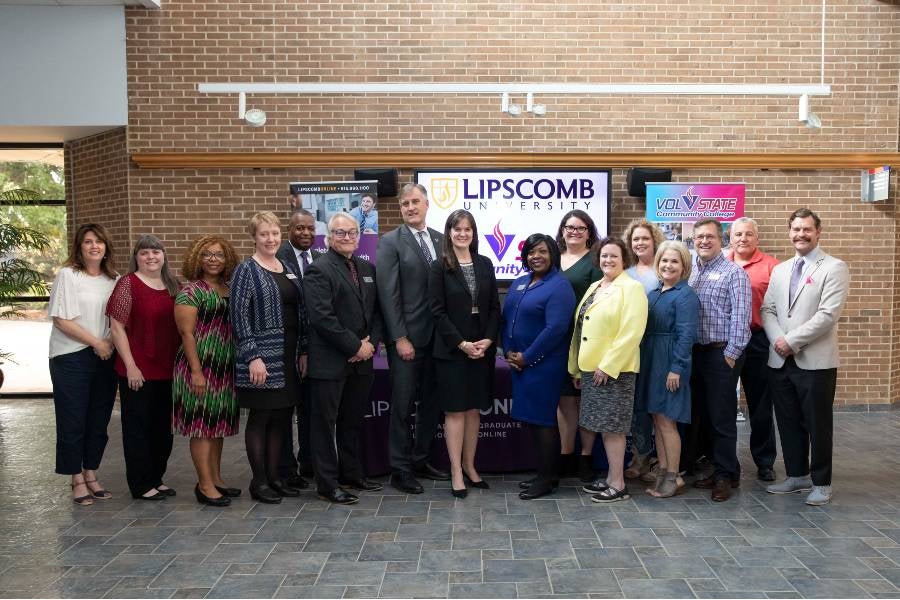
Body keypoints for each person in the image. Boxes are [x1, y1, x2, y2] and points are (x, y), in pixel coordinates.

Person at [761, 208, 849, 506]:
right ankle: (797, 475)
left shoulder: (834, 267)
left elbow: (827, 315)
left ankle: (822, 482)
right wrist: (778, 341)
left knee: (817, 423)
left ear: (818, 232)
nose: (801, 234)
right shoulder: (781, 269)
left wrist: (792, 341)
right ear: (790, 232)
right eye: (796, 229)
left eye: (807, 229)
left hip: (815, 362)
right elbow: (768, 310)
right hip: (780, 359)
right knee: (787, 421)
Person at [230, 211, 309, 504]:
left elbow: (299, 312)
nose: (270, 239)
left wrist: (302, 351)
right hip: (262, 359)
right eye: (264, 234)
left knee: (282, 418)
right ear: (254, 237)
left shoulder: (286, 266)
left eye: (275, 233)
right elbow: (238, 316)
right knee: (261, 418)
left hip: (288, 356)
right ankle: (259, 481)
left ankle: (276, 477)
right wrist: (252, 356)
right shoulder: (246, 270)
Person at [305, 213, 384, 505]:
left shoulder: (366, 267)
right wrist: (354, 346)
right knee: (325, 425)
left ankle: (352, 473)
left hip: (362, 362)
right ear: (328, 237)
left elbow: (376, 313)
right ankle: (328, 484)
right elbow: (322, 318)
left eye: (352, 232)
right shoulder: (319, 270)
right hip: (330, 363)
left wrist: (370, 345)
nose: (347, 237)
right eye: (340, 233)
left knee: (352, 421)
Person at [376, 183, 449, 494]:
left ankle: (420, 459)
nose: (409, 207)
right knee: (403, 406)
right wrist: (399, 337)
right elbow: (387, 294)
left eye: (415, 201)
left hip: (439, 341)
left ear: (426, 204)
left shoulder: (441, 240)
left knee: (432, 404)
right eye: (404, 203)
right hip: (407, 341)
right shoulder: (390, 242)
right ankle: (400, 468)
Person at [569, 237, 648, 503]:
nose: (608, 260)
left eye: (614, 256)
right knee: (604, 426)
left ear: (624, 259)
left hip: (614, 370)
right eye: (604, 256)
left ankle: (618, 484)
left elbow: (632, 332)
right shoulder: (595, 286)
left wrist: (608, 365)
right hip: (592, 369)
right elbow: (583, 328)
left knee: (614, 428)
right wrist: (580, 369)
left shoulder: (632, 288)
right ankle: (613, 477)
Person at [429, 209, 501, 498]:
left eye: (467, 229)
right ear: (449, 233)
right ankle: (456, 471)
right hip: (452, 349)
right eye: (457, 229)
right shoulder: (439, 266)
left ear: (474, 233)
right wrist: (460, 343)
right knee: (456, 411)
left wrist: (488, 340)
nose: (462, 234)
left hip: (481, 348)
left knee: (473, 410)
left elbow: (495, 308)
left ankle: (470, 467)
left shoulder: (485, 264)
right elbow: (436, 311)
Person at [48, 223, 119, 506]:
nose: (94, 246)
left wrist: (109, 343)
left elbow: (120, 320)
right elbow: (61, 320)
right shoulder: (68, 275)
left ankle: (91, 473)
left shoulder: (114, 279)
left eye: (99, 242)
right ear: (79, 246)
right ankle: (75, 477)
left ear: (106, 247)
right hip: (71, 356)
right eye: (88, 242)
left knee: (98, 420)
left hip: (105, 356)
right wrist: (97, 343)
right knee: (73, 420)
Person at [502, 234, 576, 500]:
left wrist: (527, 357)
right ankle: (546, 473)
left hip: (543, 365)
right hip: (519, 363)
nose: (536, 256)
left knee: (544, 421)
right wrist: (508, 351)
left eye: (543, 251)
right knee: (534, 422)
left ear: (553, 254)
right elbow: (507, 317)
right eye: (531, 252)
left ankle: (546, 479)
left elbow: (555, 328)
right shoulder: (521, 282)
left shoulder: (559, 285)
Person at [107, 235, 180, 500]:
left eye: (156, 252)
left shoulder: (173, 285)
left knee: (163, 429)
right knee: (138, 428)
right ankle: (140, 484)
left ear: (164, 256)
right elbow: (117, 328)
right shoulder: (128, 284)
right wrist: (131, 365)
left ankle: (156, 477)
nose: (151, 257)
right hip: (137, 369)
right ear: (136, 257)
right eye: (144, 252)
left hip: (168, 369)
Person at [172, 235, 241, 507]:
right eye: (208, 254)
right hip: (198, 364)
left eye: (219, 255)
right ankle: (204, 485)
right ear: (197, 258)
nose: (214, 260)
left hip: (224, 365)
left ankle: (217, 479)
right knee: (202, 426)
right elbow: (186, 333)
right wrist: (196, 371)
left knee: (218, 424)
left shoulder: (228, 287)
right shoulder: (190, 291)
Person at [686, 218, 751, 502]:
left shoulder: (733, 273)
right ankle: (723, 468)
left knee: (722, 417)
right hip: (696, 353)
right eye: (699, 237)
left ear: (721, 239)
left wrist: (731, 355)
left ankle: (725, 476)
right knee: (705, 415)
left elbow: (741, 317)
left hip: (720, 353)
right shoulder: (691, 273)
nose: (703, 241)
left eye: (709, 236)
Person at [635, 241, 700, 498]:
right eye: (664, 260)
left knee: (667, 421)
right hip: (651, 359)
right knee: (656, 418)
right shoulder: (654, 293)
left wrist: (677, 368)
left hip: (669, 361)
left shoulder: (685, 296)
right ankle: (663, 471)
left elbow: (686, 335)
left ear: (684, 266)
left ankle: (674, 476)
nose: (668, 265)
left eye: (674, 261)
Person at [725, 217, 780, 482]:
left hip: (759, 340)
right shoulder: (722, 262)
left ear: (757, 239)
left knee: (760, 404)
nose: (743, 239)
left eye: (748, 234)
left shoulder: (772, 267)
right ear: (730, 237)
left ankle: (765, 462)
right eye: (738, 234)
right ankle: (724, 462)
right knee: (723, 403)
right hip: (727, 342)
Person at [555, 210, 602, 482]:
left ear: (589, 232)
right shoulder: (553, 259)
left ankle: (585, 457)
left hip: (585, 341)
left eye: (581, 228)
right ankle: (565, 454)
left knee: (585, 401)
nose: (574, 231)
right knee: (564, 402)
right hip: (557, 342)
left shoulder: (594, 262)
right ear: (562, 230)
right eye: (570, 227)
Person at [276, 209, 319, 484]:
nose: (306, 233)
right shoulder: (278, 257)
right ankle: (284, 469)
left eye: (310, 229)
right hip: (284, 347)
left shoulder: (320, 257)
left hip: (314, 347)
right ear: (289, 229)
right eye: (300, 228)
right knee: (283, 411)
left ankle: (309, 463)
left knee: (310, 408)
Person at [622, 220, 665, 482]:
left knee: (660, 405)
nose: (640, 243)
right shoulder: (626, 273)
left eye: (645, 239)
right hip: (633, 347)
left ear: (654, 240)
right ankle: (640, 456)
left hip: (658, 345)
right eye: (635, 239)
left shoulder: (665, 270)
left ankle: (664, 461)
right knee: (637, 405)